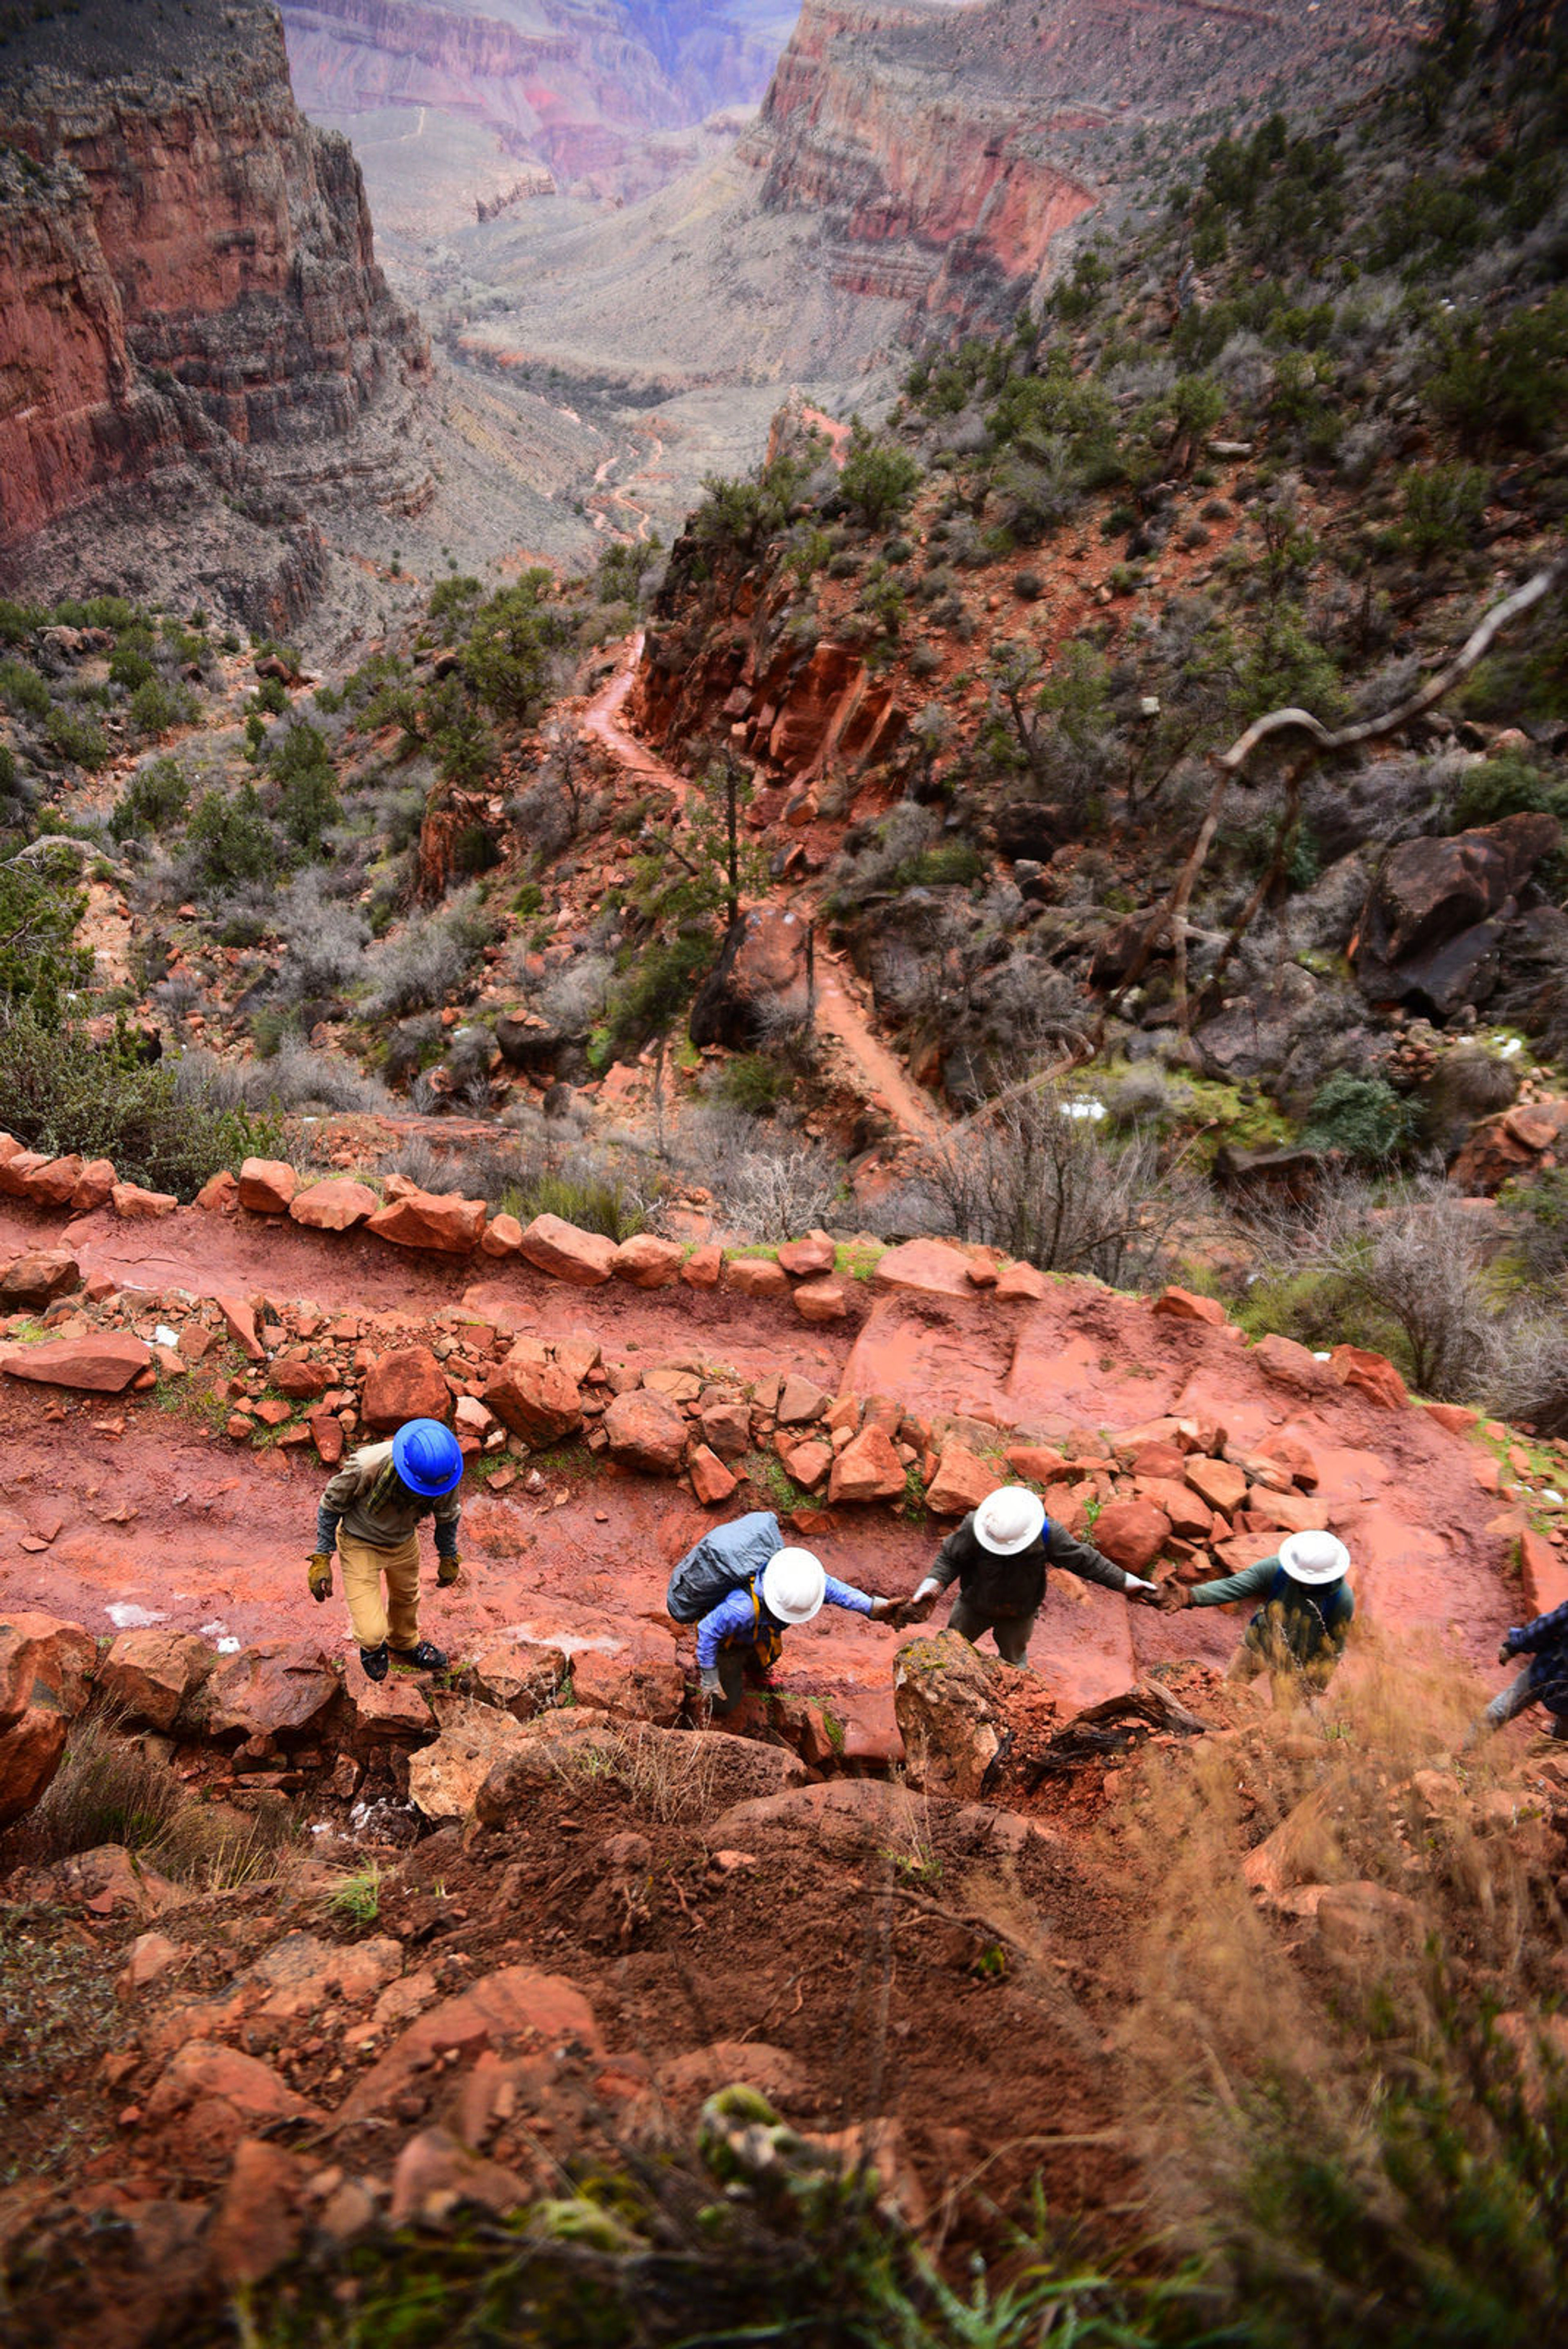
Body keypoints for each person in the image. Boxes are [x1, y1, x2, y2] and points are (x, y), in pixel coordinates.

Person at [895, 1485, 1160, 1665]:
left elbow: (1086, 1561)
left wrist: (1127, 1583)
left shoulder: (1047, 1534)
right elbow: (951, 1558)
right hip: (973, 1606)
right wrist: (932, 1586)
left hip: (1019, 1613)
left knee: (1014, 1665)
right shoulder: (977, 1525)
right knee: (951, 1655)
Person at [307, 1418, 465, 1682]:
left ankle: (403, 1642)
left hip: (403, 1541)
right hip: (360, 1542)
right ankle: (373, 1648)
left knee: (407, 1598)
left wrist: (448, 1555)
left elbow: (447, 1516)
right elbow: (331, 1504)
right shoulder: (366, 1465)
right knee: (371, 1632)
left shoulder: (444, 1474)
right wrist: (323, 1556)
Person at [693, 1543, 901, 1715]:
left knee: (773, 1652)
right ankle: (720, 1671)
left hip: (761, 1631)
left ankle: (756, 1669)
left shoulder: (800, 1579)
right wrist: (710, 1676)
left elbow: (839, 1592)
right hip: (726, 1639)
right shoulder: (741, 1610)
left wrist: (874, 1607)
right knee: (723, 1705)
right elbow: (707, 1631)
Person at [1159, 1529, 1353, 1702]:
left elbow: (1333, 1650)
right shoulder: (1278, 1568)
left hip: (1297, 1665)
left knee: (1286, 1715)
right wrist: (1191, 1596)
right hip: (1260, 1641)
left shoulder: (1341, 1600)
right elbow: (1235, 1586)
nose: (1294, 1577)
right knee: (1229, 1691)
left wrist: (1315, 1686)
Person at [1469, 1599, 1568, 1745]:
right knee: (1501, 1710)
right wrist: (1514, 1646)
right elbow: (1544, 1627)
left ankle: (1551, 1753)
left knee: (1561, 1738)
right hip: (1546, 1671)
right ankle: (1465, 1748)